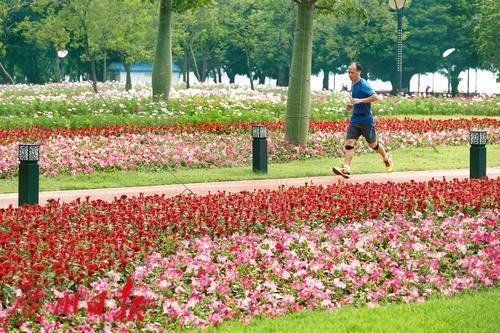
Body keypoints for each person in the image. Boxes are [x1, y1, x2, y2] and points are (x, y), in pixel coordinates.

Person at [332, 62, 393, 178]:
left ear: (359, 72)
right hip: (355, 120)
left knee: (373, 145)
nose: (350, 75)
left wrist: (359, 101)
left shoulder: (363, 84)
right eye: (348, 72)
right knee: (349, 143)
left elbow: (375, 97)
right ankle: (346, 169)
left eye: (352, 72)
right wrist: (352, 105)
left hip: (366, 121)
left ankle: (386, 158)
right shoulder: (354, 84)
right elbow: (357, 100)